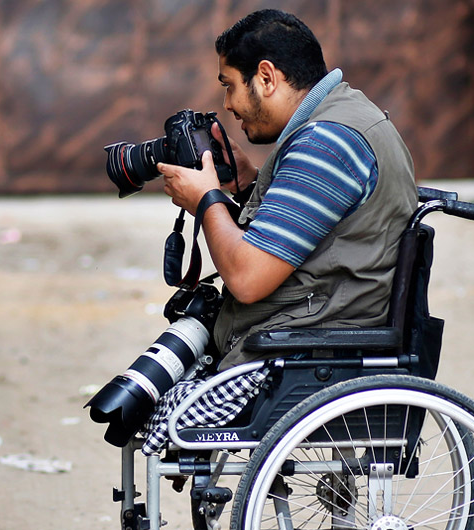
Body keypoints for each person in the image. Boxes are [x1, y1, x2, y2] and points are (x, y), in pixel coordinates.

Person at [158, 9, 418, 369]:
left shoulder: (325, 143)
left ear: (266, 77)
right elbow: (328, 232)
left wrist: (207, 200)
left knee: (164, 406)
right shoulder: (346, 114)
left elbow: (247, 278)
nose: (227, 104)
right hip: (312, 332)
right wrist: (247, 183)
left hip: (302, 353)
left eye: (229, 85)